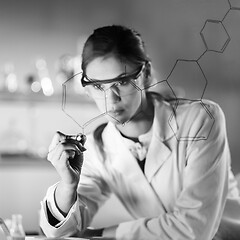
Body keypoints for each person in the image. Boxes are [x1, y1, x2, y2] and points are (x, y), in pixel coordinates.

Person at [39, 25, 240, 240]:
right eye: (99, 86)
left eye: (123, 81)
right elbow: (60, 230)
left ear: (146, 75)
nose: (111, 99)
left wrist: (102, 234)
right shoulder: (98, 148)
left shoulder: (200, 119)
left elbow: (194, 229)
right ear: (87, 88)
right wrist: (68, 185)